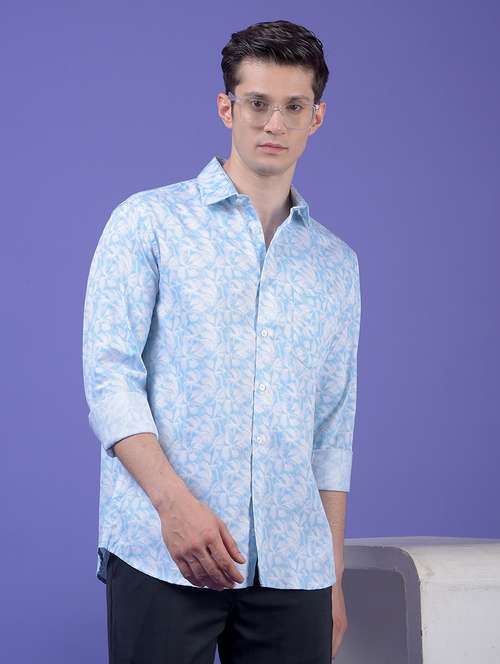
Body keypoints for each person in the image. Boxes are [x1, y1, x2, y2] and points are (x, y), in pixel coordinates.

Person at [82, 18, 361, 664]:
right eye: (257, 103)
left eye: (294, 107)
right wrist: (173, 507)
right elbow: (110, 379)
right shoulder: (148, 223)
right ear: (226, 107)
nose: (274, 124)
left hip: (293, 567)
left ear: (316, 117)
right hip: (161, 548)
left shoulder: (336, 265)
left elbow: (331, 430)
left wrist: (332, 576)